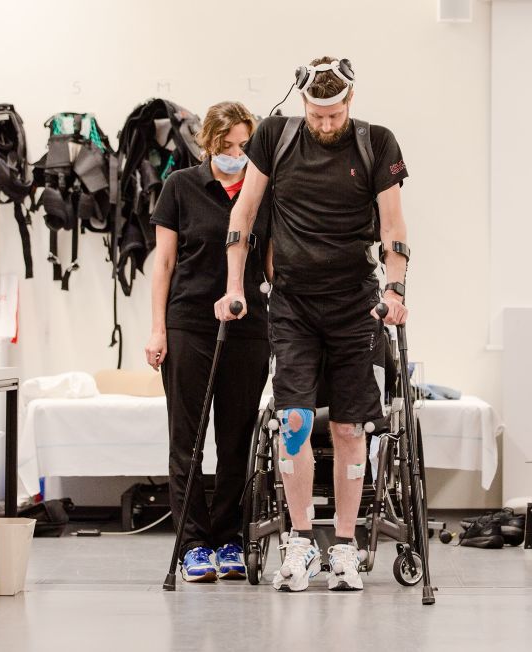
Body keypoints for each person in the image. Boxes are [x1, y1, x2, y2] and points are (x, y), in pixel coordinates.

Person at [214, 57, 411, 592]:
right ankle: (298, 542)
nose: (327, 124)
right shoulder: (275, 137)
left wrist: (395, 290)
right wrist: (235, 286)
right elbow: (244, 214)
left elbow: (392, 226)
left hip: (355, 304)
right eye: (318, 115)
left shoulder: (377, 143)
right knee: (294, 421)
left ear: (350, 102)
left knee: (350, 428)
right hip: (293, 303)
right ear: (303, 104)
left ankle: (344, 546)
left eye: (336, 113)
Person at [146, 102, 271, 583]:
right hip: (189, 326)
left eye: (244, 146)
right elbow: (163, 265)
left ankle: (228, 539)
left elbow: (272, 264)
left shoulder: (264, 191)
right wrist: (158, 329)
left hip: (249, 328)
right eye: (227, 146)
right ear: (209, 144)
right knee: (189, 440)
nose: (236, 154)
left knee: (237, 438)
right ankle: (194, 544)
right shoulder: (180, 186)